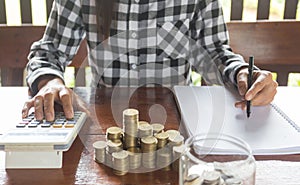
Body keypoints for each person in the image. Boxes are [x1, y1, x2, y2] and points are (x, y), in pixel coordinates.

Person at [22, 0, 277, 121]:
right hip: (105, 123)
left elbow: (215, 54)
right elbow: (49, 52)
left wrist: (243, 73)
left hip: (179, 123)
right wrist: (49, 81)